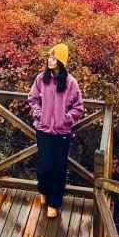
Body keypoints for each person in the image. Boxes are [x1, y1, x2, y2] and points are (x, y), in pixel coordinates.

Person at [28, 44, 84, 218]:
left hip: (62, 132)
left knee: (59, 168)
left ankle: (54, 203)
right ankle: (43, 189)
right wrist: (39, 114)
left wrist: (66, 119)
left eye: (54, 58)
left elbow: (78, 107)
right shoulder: (41, 79)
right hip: (43, 130)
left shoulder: (71, 82)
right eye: (49, 57)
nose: (50, 60)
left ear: (61, 61)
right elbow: (33, 99)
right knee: (45, 166)